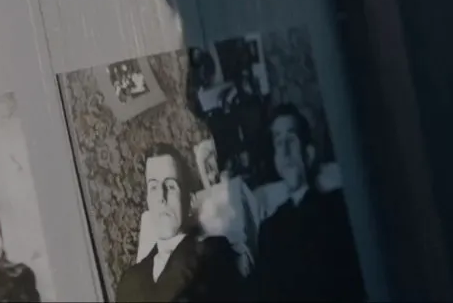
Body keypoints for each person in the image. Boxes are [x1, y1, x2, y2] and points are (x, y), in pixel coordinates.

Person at [250, 104, 365, 301]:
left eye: (291, 139)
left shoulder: (338, 207)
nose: (285, 151)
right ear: (276, 161)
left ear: (309, 153)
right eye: (278, 142)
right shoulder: (269, 230)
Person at [113, 143, 244, 302]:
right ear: (148, 200)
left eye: (170, 186)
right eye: (153, 187)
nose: (161, 197)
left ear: (189, 199)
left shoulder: (214, 253)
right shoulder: (129, 281)